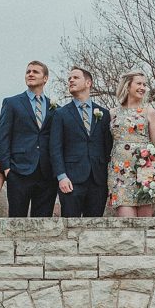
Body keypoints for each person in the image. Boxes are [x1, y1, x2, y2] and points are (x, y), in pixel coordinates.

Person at [49, 67, 113, 217]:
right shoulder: (61, 114)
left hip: (98, 180)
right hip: (71, 180)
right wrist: (61, 176)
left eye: (75, 78)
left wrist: (108, 180)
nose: (71, 80)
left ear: (88, 82)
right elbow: (55, 148)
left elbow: (108, 147)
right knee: (71, 226)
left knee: (94, 226)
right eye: (69, 78)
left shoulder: (103, 114)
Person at [0, 61, 57, 217]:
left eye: (35, 72)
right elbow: (3, 135)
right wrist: (7, 168)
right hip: (18, 170)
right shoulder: (12, 103)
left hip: (46, 172)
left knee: (43, 222)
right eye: (28, 71)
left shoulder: (55, 107)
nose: (30, 74)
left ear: (45, 78)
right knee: (17, 221)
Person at [108, 72, 155, 217]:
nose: (143, 87)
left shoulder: (149, 111)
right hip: (120, 172)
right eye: (139, 83)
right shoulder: (113, 113)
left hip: (145, 169)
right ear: (127, 86)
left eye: (144, 84)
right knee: (126, 221)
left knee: (146, 223)